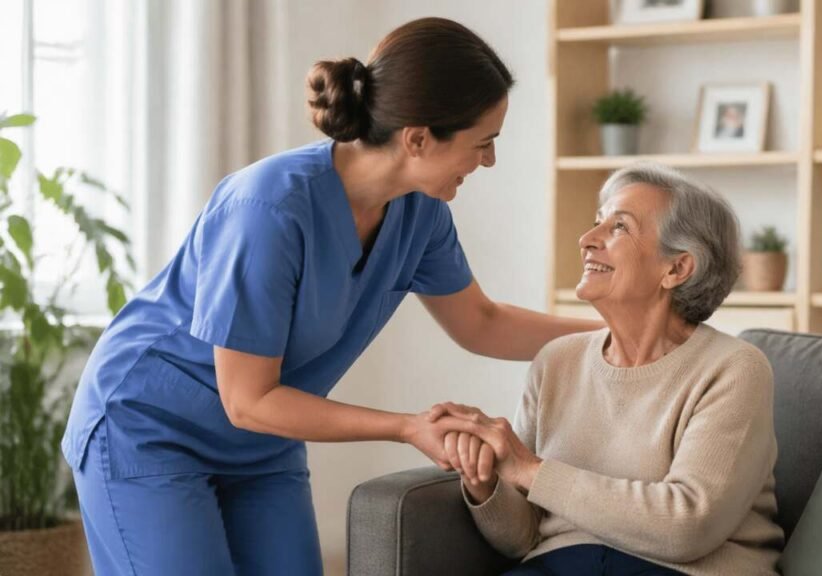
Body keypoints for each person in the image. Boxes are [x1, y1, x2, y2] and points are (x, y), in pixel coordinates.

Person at [62, 17, 600, 576]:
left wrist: (617, 331)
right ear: (417, 138)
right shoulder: (266, 210)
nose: (487, 161)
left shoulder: (421, 214)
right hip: (151, 428)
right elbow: (245, 398)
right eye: (481, 144)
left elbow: (482, 323)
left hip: (261, 444)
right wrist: (407, 426)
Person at [432, 163, 786, 576]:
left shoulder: (733, 368)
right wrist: (486, 479)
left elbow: (687, 527)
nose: (586, 241)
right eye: (596, 223)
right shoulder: (556, 361)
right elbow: (524, 538)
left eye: (619, 227)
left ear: (677, 269)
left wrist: (530, 469)